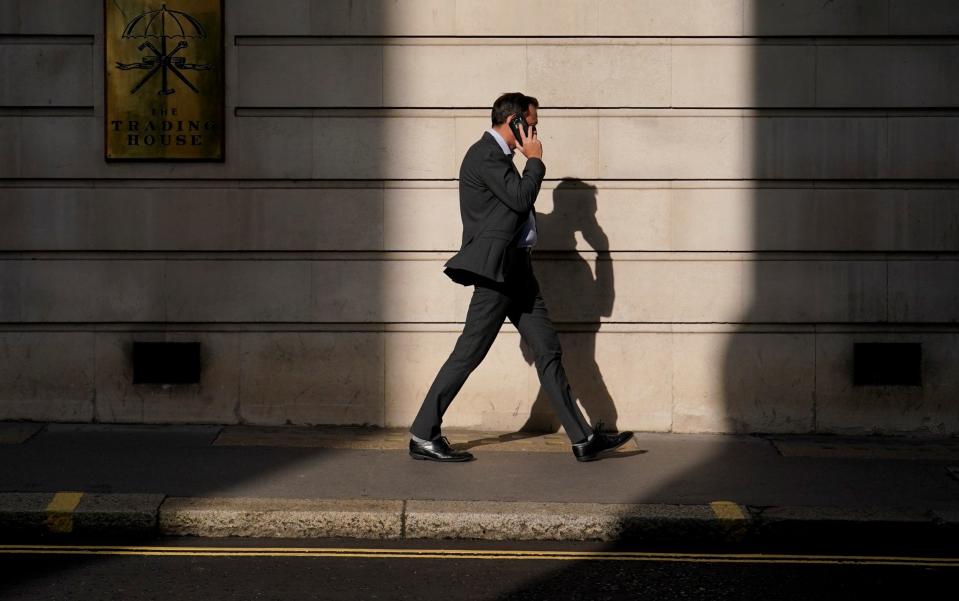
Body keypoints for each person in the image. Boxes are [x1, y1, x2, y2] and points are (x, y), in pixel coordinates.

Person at [408, 92, 634, 462]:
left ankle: (582, 439)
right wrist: (535, 161)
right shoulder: (485, 155)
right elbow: (519, 198)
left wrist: (599, 243)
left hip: (519, 271)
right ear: (514, 121)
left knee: (547, 350)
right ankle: (423, 432)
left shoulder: (499, 157)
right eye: (531, 123)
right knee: (469, 353)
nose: (535, 130)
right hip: (497, 272)